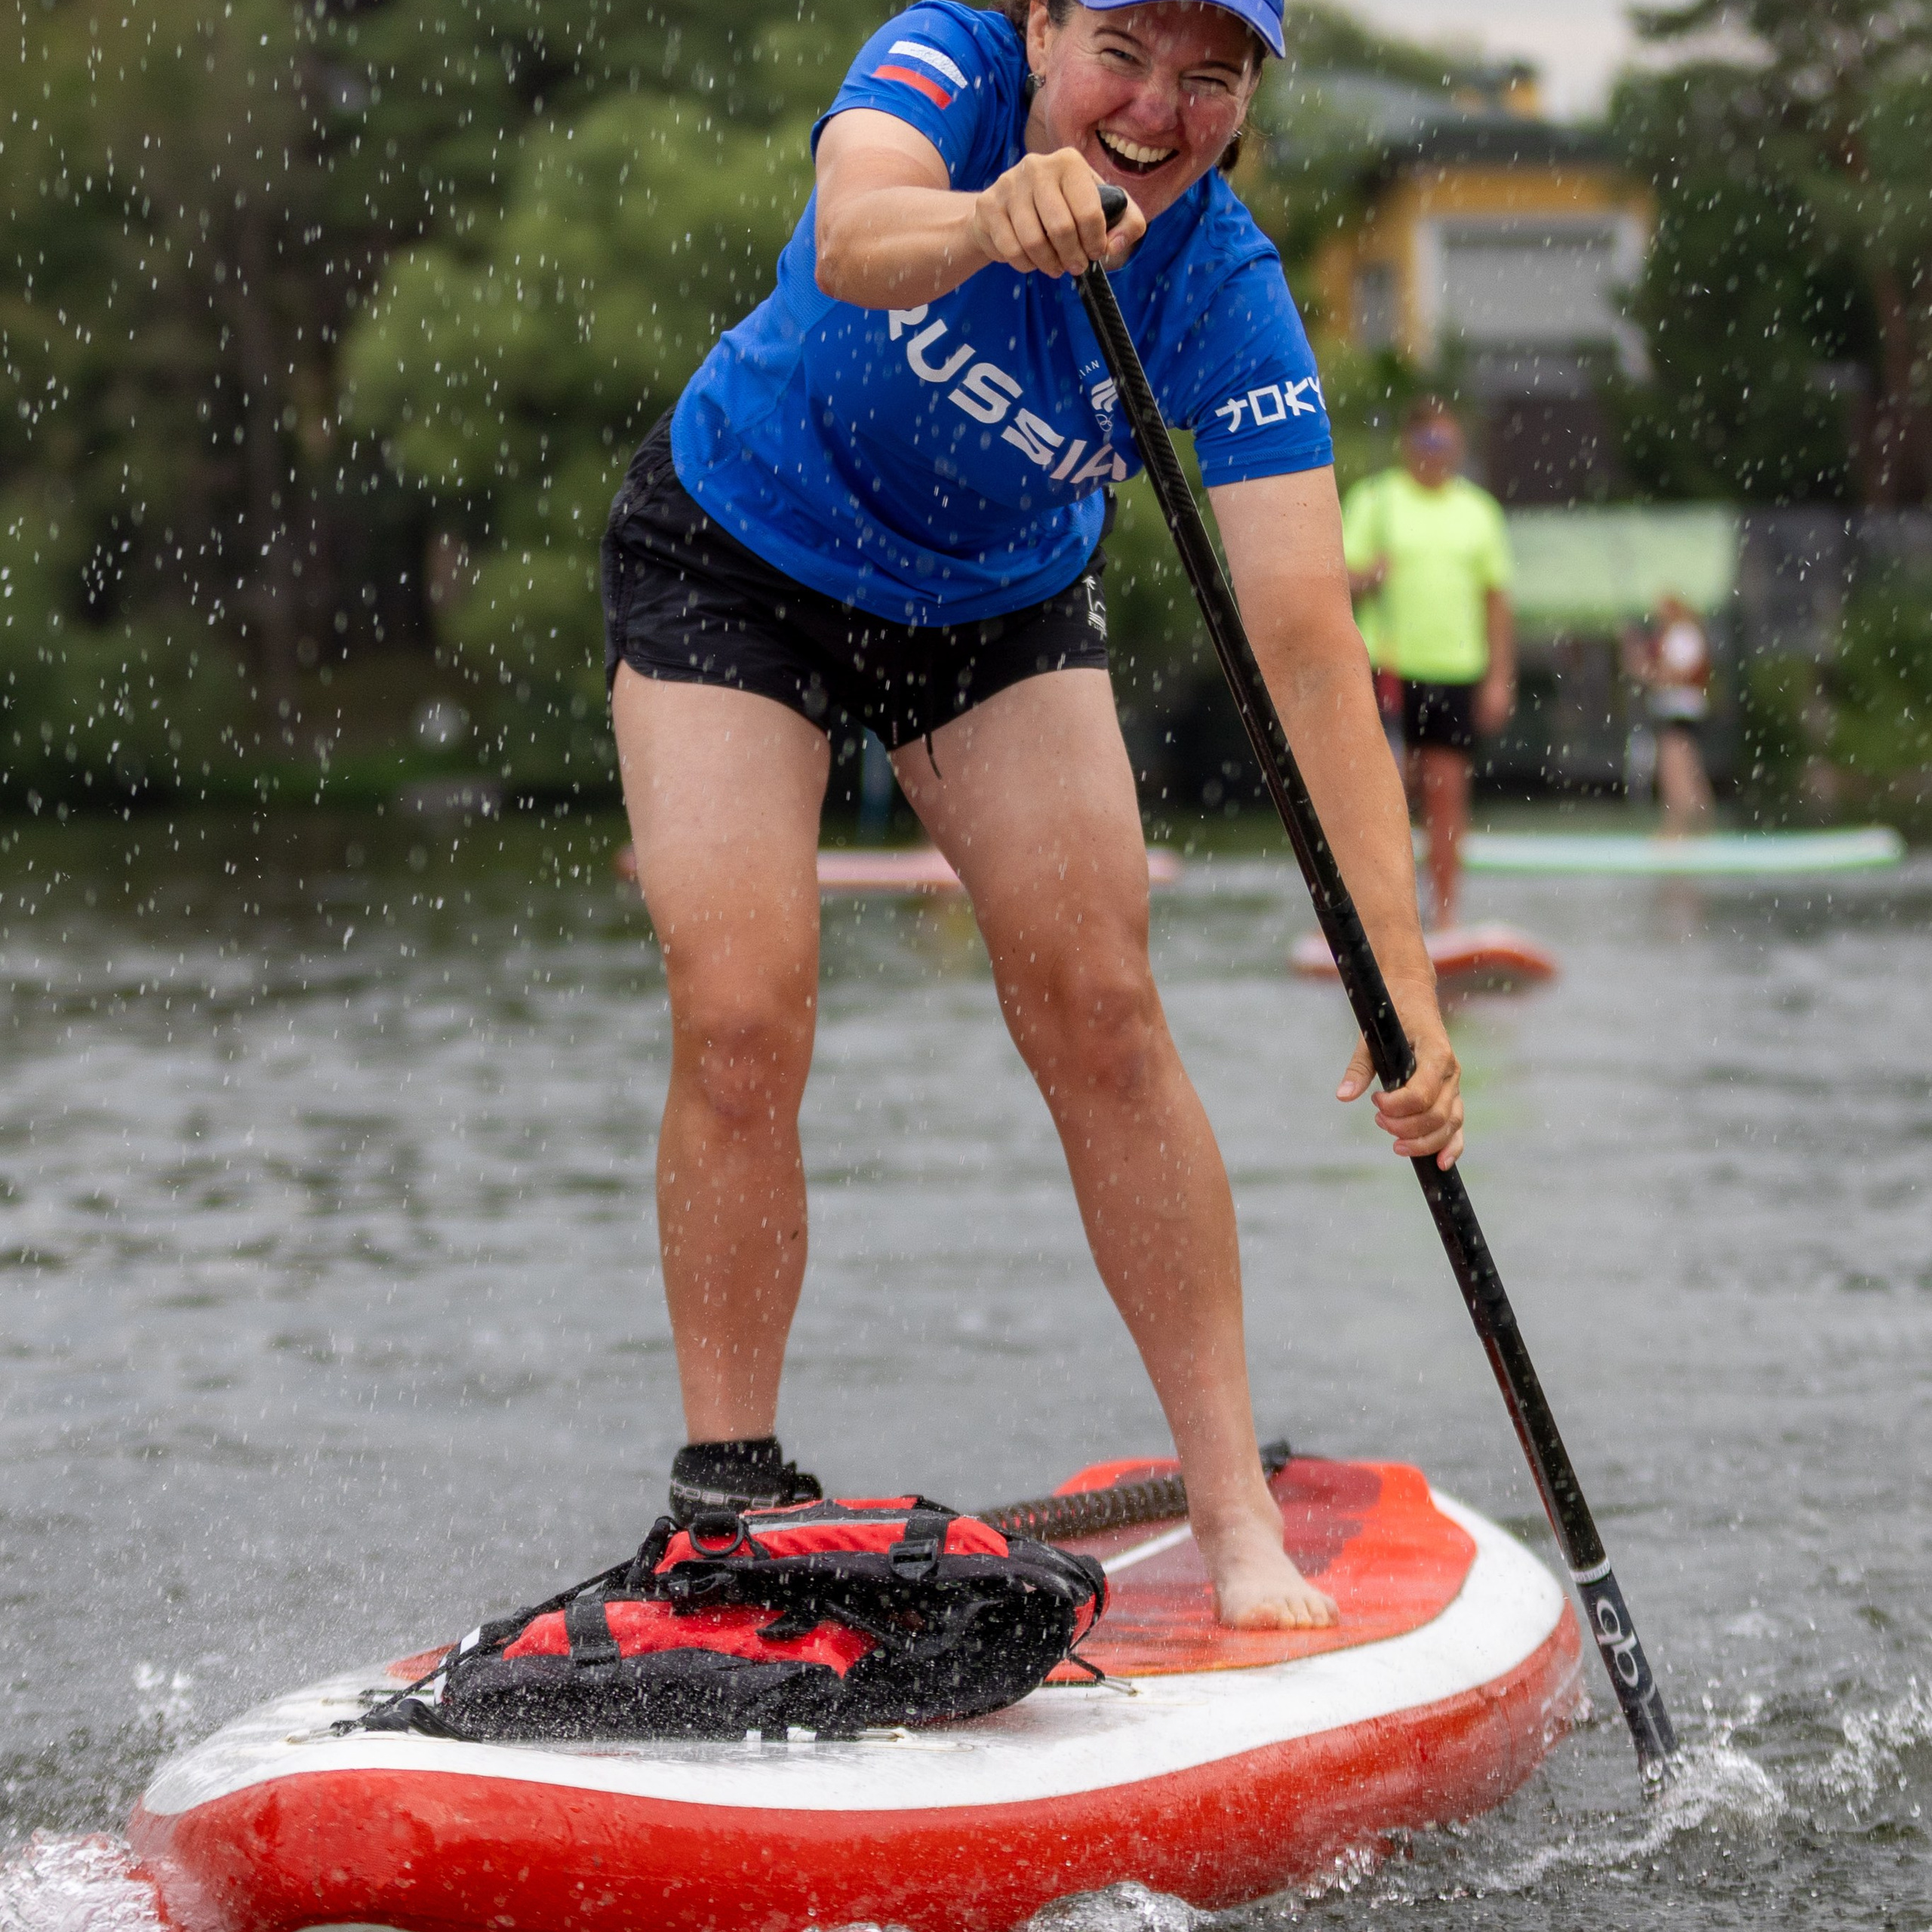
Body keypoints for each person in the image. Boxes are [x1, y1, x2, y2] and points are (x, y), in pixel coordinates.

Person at [603, 0, 1465, 1631]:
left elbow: (1301, 640)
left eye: (1209, 78)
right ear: (1042, 24)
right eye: (1121, 51)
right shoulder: (947, 61)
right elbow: (855, 233)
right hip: (735, 556)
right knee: (741, 1010)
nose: (1156, 108)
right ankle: (725, 1493)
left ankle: (1231, 1513)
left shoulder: (1224, 289)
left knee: (1102, 1011)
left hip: (987, 614)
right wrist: (988, 218)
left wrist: (1402, 978)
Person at [1342, 399, 1514, 930]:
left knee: (1447, 797)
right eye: (1426, 442)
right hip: (1389, 668)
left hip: (1456, 671)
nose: (1435, 454)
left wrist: (1499, 679)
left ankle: (1444, 917)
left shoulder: (1479, 511)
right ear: (1407, 445)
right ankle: (1381, 917)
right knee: (1387, 795)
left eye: (1445, 443)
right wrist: (1370, 576)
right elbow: (1336, 580)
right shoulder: (1374, 500)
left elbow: (1496, 602)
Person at [1622, 593, 1714, 834]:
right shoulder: (1673, 636)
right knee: (1685, 768)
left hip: (1681, 710)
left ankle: (1679, 824)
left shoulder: (1684, 634)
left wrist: (1647, 669)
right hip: (1673, 710)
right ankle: (1695, 825)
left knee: (1675, 768)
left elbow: (1676, 674)